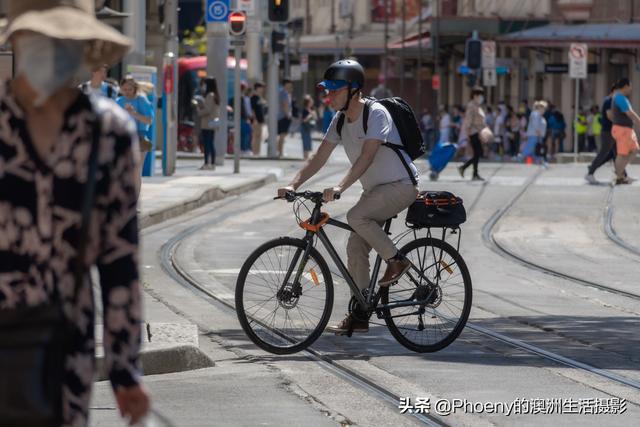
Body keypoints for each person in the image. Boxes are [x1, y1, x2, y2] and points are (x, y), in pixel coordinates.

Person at [0, 1, 150, 426]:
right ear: (17, 39)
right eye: (41, 36)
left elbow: (120, 261)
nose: (51, 48)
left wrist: (124, 369)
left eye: (63, 37)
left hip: (66, 349)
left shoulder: (109, 133)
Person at [277, 59, 419, 334]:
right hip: (375, 191)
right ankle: (361, 311)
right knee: (355, 246)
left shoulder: (376, 114)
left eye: (333, 91)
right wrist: (293, 184)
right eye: (326, 91)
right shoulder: (340, 120)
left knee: (356, 216)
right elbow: (319, 157)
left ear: (353, 89)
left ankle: (397, 260)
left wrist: (340, 187)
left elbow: (367, 156)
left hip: (401, 185)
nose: (328, 96)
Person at [116, 75, 154, 192]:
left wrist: (134, 113)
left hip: (140, 137)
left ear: (135, 88)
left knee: (136, 171)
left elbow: (149, 120)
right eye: (124, 89)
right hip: (123, 137)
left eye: (130, 89)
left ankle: (135, 203)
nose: (127, 92)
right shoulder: (118, 101)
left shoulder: (141, 100)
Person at [586, 85, 623, 184]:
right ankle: (590, 173)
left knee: (617, 153)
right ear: (614, 91)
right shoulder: (609, 101)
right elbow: (609, 115)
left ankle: (622, 176)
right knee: (604, 153)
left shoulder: (613, 101)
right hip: (608, 131)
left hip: (612, 131)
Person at [610, 78, 640, 185]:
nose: (631, 89)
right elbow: (629, 113)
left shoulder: (620, 97)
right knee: (622, 154)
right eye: (630, 86)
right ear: (625, 86)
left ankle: (620, 170)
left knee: (635, 149)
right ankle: (619, 176)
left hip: (626, 129)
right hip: (622, 129)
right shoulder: (619, 98)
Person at [458, 87, 488, 180]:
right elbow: (468, 120)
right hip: (473, 132)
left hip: (476, 132)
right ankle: (468, 170)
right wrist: (467, 134)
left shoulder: (476, 105)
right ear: (475, 95)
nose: (481, 97)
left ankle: (470, 171)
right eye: (480, 95)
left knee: (477, 153)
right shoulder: (472, 105)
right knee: (478, 152)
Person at [196, 76, 220, 170]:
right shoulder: (216, 95)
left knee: (207, 144)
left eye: (205, 84)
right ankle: (212, 163)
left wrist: (199, 110)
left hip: (207, 122)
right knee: (211, 143)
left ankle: (207, 163)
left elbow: (207, 110)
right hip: (214, 122)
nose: (204, 86)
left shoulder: (210, 95)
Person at [522, 100, 548, 164]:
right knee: (531, 147)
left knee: (536, 148)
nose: (544, 109)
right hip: (535, 134)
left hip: (538, 135)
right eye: (542, 107)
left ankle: (537, 159)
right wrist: (538, 132)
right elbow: (536, 124)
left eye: (544, 108)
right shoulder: (536, 114)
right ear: (539, 107)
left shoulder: (539, 115)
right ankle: (522, 157)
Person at [277, 78, 293, 157]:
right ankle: (280, 152)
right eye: (288, 83)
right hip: (283, 116)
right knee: (282, 136)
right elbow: (285, 104)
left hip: (282, 116)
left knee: (282, 136)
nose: (290, 85)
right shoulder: (284, 93)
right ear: (285, 84)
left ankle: (280, 151)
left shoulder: (284, 92)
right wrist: (288, 115)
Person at [250, 81, 266, 156]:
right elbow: (252, 109)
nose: (262, 89)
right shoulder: (253, 98)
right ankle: (254, 152)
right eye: (261, 88)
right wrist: (254, 119)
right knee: (255, 136)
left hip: (261, 120)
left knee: (259, 136)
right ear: (257, 88)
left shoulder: (260, 98)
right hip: (256, 120)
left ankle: (258, 152)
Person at [300, 94, 317, 160]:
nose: (312, 102)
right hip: (304, 128)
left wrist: (313, 115)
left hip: (309, 128)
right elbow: (303, 120)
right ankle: (305, 157)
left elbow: (315, 118)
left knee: (308, 141)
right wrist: (310, 115)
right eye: (311, 101)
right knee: (305, 142)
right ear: (308, 102)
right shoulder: (305, 110)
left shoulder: (311, 109)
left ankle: (307, 157)